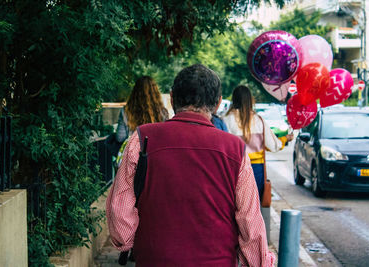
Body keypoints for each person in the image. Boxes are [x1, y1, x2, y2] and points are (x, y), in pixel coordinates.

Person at [106, 64, 275, 266]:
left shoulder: (142, 139)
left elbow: (120, 217)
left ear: (172, 97)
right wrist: (261, 262)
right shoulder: (235, 150)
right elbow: (250, 221)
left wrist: (136, 241)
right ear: (218, 102)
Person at [223, 85, 293, 198]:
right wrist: (285, 139)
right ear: (250, 100)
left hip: (233, 169)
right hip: (256, 169)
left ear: (234, 100)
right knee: (253, 207)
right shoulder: (258, 120)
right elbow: (274, 145)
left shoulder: (225, 120)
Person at [115, 76, 169, 143]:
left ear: (135, 91)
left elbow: (120, 137)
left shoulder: (126, 111)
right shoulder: (163, 112)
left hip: (133, 152)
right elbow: (166, 137)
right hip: (156, 152)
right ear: (155, 92)